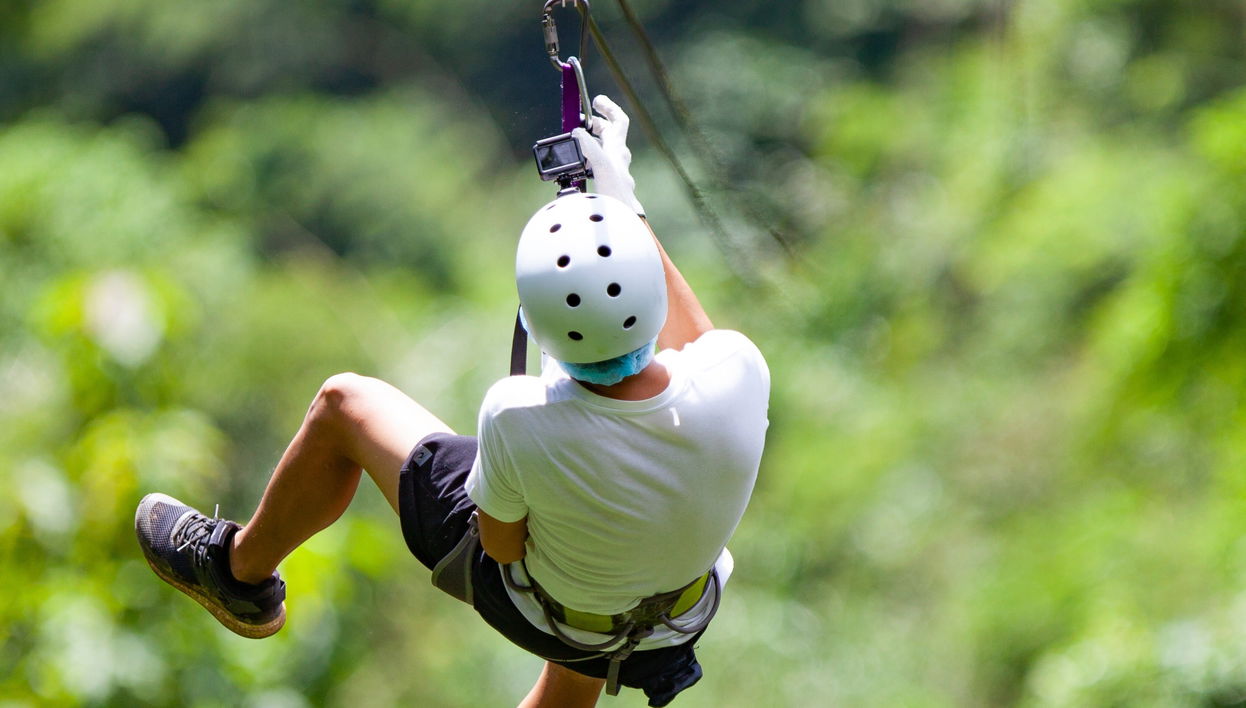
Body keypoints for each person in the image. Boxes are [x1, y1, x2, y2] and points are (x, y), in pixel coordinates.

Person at [134, 95, 769, 707]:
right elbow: (699, 341)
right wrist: (625, 207)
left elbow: (502, 549)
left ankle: (236, 571)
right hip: (670, 627)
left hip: (557, 619)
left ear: (536, 325)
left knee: (344, 404)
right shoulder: (740, 369)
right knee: (597, 567)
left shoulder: (518, 415)